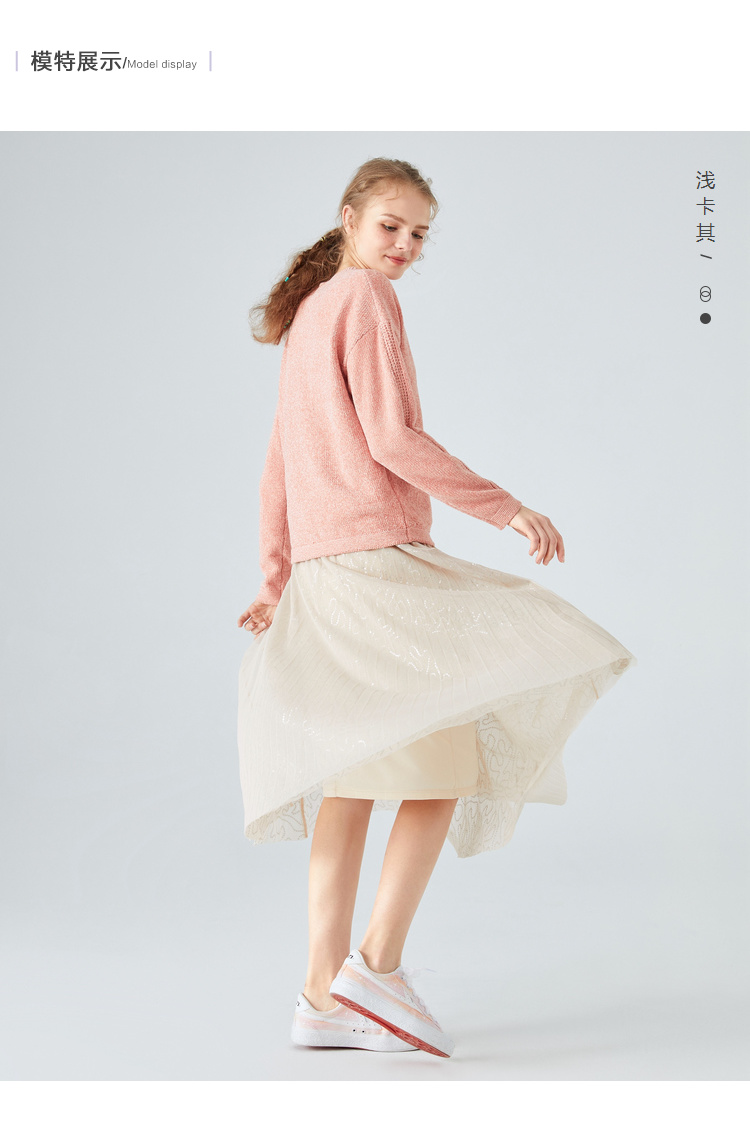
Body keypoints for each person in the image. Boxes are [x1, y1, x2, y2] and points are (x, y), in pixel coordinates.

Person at [236, 157, 637, 1058]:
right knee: (443, 764)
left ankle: (319, 995)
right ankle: (375, 968)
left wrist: (276, 578)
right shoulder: (365, 298)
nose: (406, 246)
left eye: (420, 234)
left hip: (325, 578)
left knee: (348, 782)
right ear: (349, 217)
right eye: (392, 226)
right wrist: (505, 506)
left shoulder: (309, 313)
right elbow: (391, 437)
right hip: (376, 569)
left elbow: (278, 463)